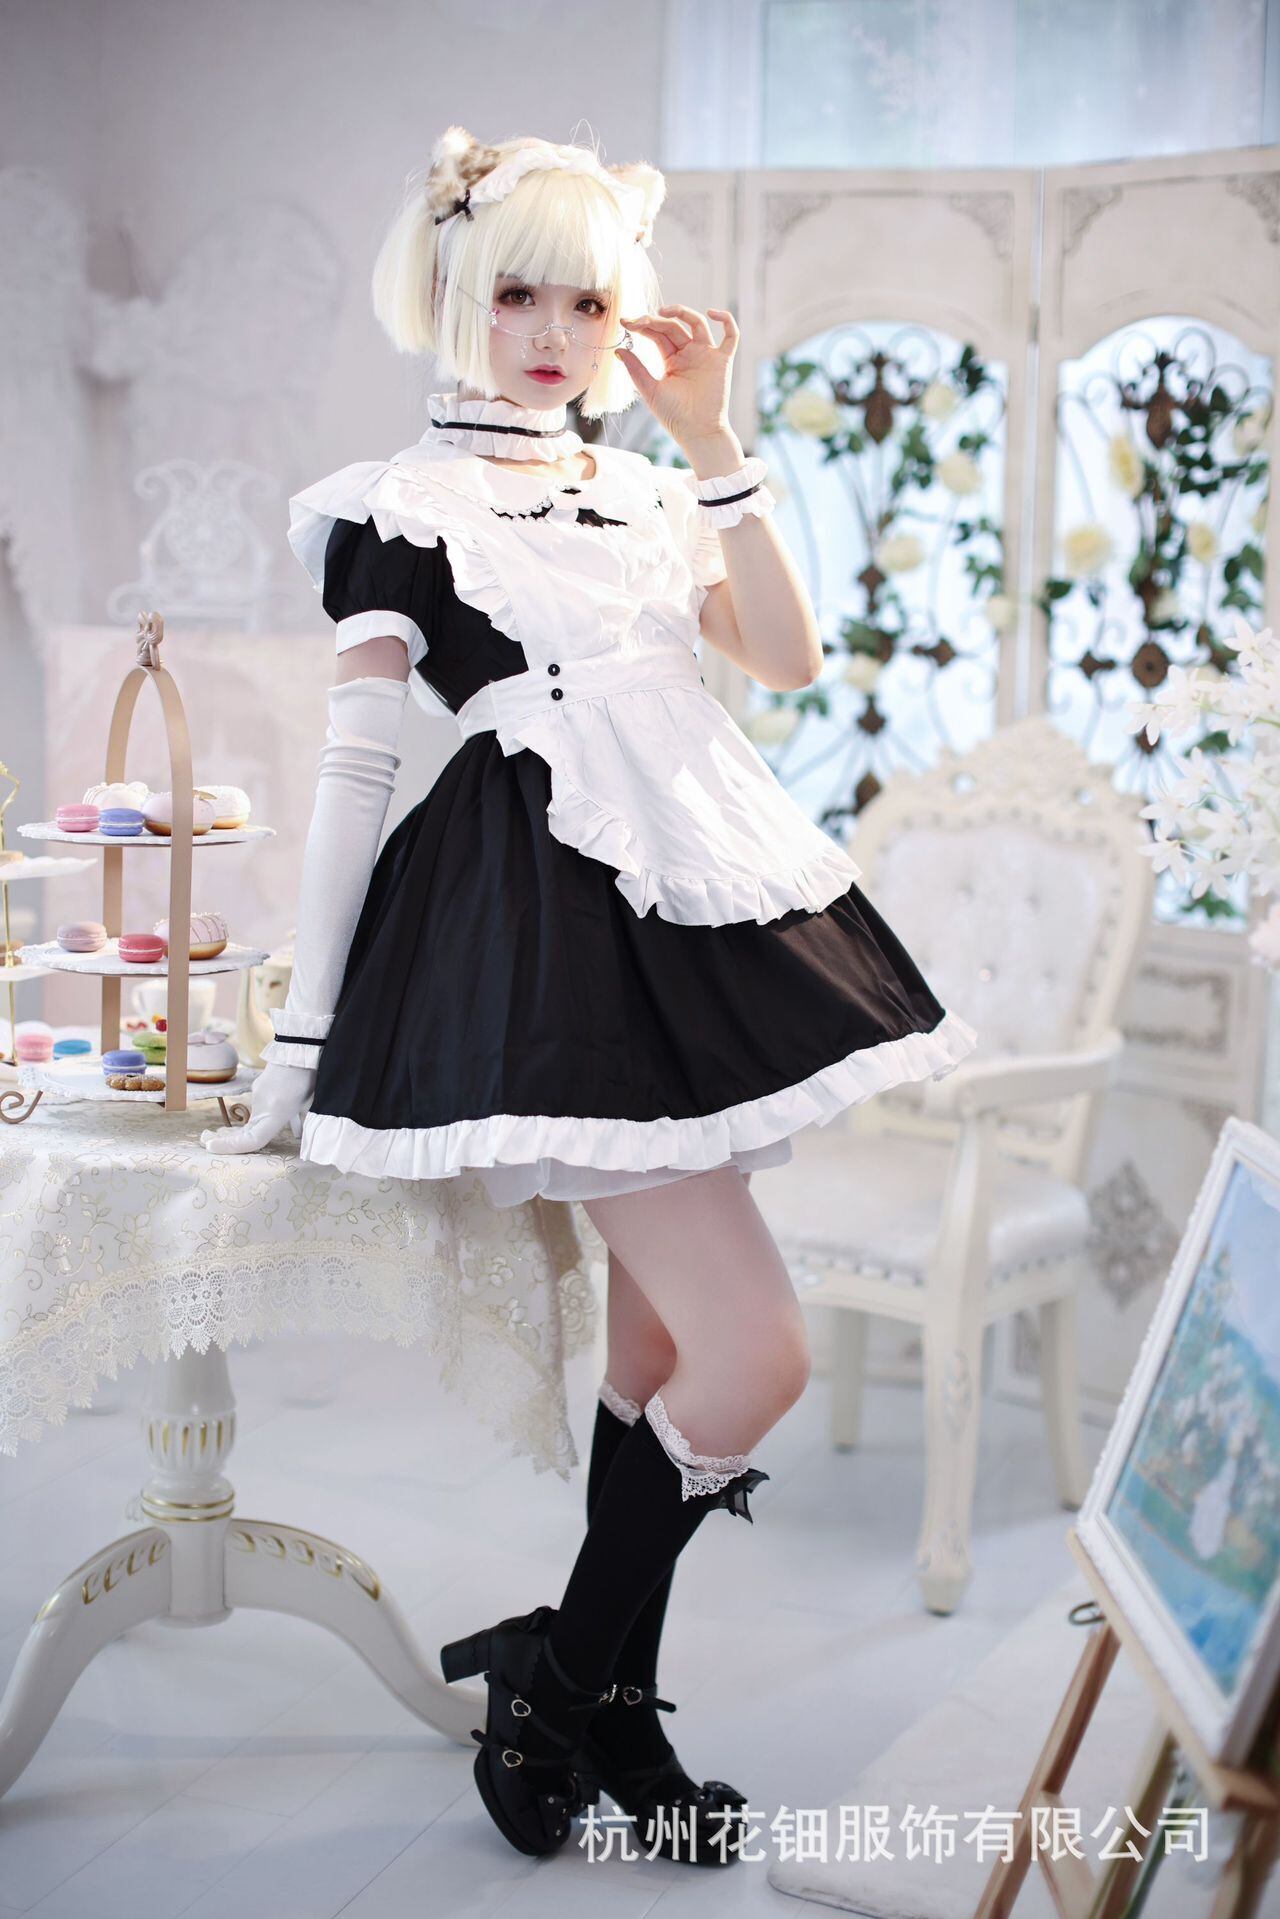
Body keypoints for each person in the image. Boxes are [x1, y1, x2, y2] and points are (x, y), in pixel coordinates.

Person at [202, 123, 979, 1866]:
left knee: (659, 1351)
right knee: (759, 1354)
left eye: (586, 301)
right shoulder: (396, 509)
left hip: (702, 904)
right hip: (548, 933)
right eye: (515, 296)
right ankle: (564, 1686)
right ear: (452, 294)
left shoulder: (643, 489)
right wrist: (303, 1041)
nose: (551, 335)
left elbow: (784, 658)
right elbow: (353, 775)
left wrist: (710, 440)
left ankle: (596, 1692)